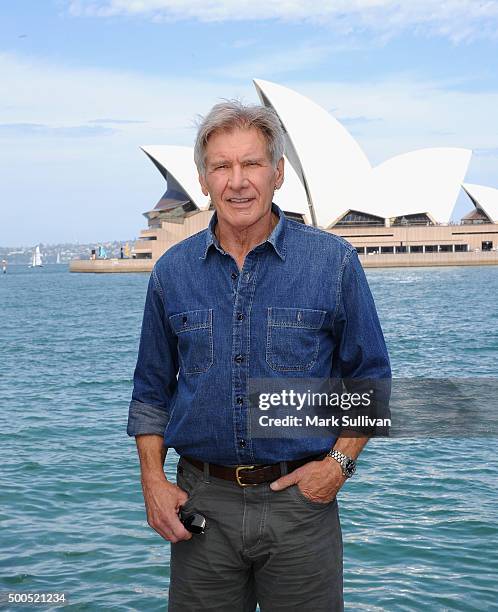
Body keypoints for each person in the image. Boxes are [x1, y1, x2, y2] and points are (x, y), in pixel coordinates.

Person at [127, 101, 391, 611]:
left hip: (301, 504)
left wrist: (338, 465)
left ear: (278, 173)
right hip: (203, 504)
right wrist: (153, 482)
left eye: (251, 164)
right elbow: (151, 391)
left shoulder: (332, 262)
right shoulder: (171, 273)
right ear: (203, 180)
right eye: (222, 166)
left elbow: (371, 378)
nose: (238, 181)